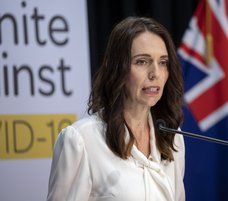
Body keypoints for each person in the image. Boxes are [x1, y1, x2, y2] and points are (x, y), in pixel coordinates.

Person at [47, 16, 185, 201]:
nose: (156, 74)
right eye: (142, 62)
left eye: (163, 62)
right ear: (118, 68)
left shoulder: (172, 136)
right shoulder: (82, 140)